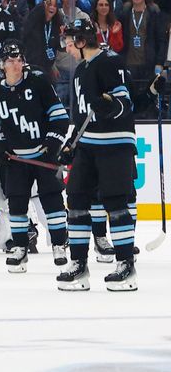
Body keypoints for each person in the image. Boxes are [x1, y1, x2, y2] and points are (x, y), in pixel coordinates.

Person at [56, 19, 137, 291]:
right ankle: (79, 264)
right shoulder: (80, 71)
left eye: (70, 41)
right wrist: (71, 143)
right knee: (77, 198)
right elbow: (80, 115)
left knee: (115, 202)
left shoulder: (111, 63)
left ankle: (126, 265)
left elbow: (125, 103)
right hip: (88, 145)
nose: (68, 48)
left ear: (81, 40)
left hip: (114, 143)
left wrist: (109, 105)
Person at [0, 41, 70, 273]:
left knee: (52, 200)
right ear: (2, 65)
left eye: (19, 59)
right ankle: (20, 247)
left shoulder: (39, 83)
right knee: (17, 203)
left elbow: (59, 117)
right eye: (11, 61)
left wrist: (52, 142)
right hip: (16, 160)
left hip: (43, 156)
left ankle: (60, 244)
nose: (16, 64)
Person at [119, 0, 168, 89]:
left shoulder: (153, 13)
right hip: (129, 62)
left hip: (148, 62)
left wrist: (159, 62)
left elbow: (161, 40)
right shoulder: (125, 13)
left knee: (147, 97)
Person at [22, 0, 64, 77]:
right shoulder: (33, 23)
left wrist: (63, 38)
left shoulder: (56, 25)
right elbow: (23, 34)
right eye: (49, 4)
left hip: (47, 69)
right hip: (30, 68)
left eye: (55, 6)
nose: (52, 7)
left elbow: (61, 47)